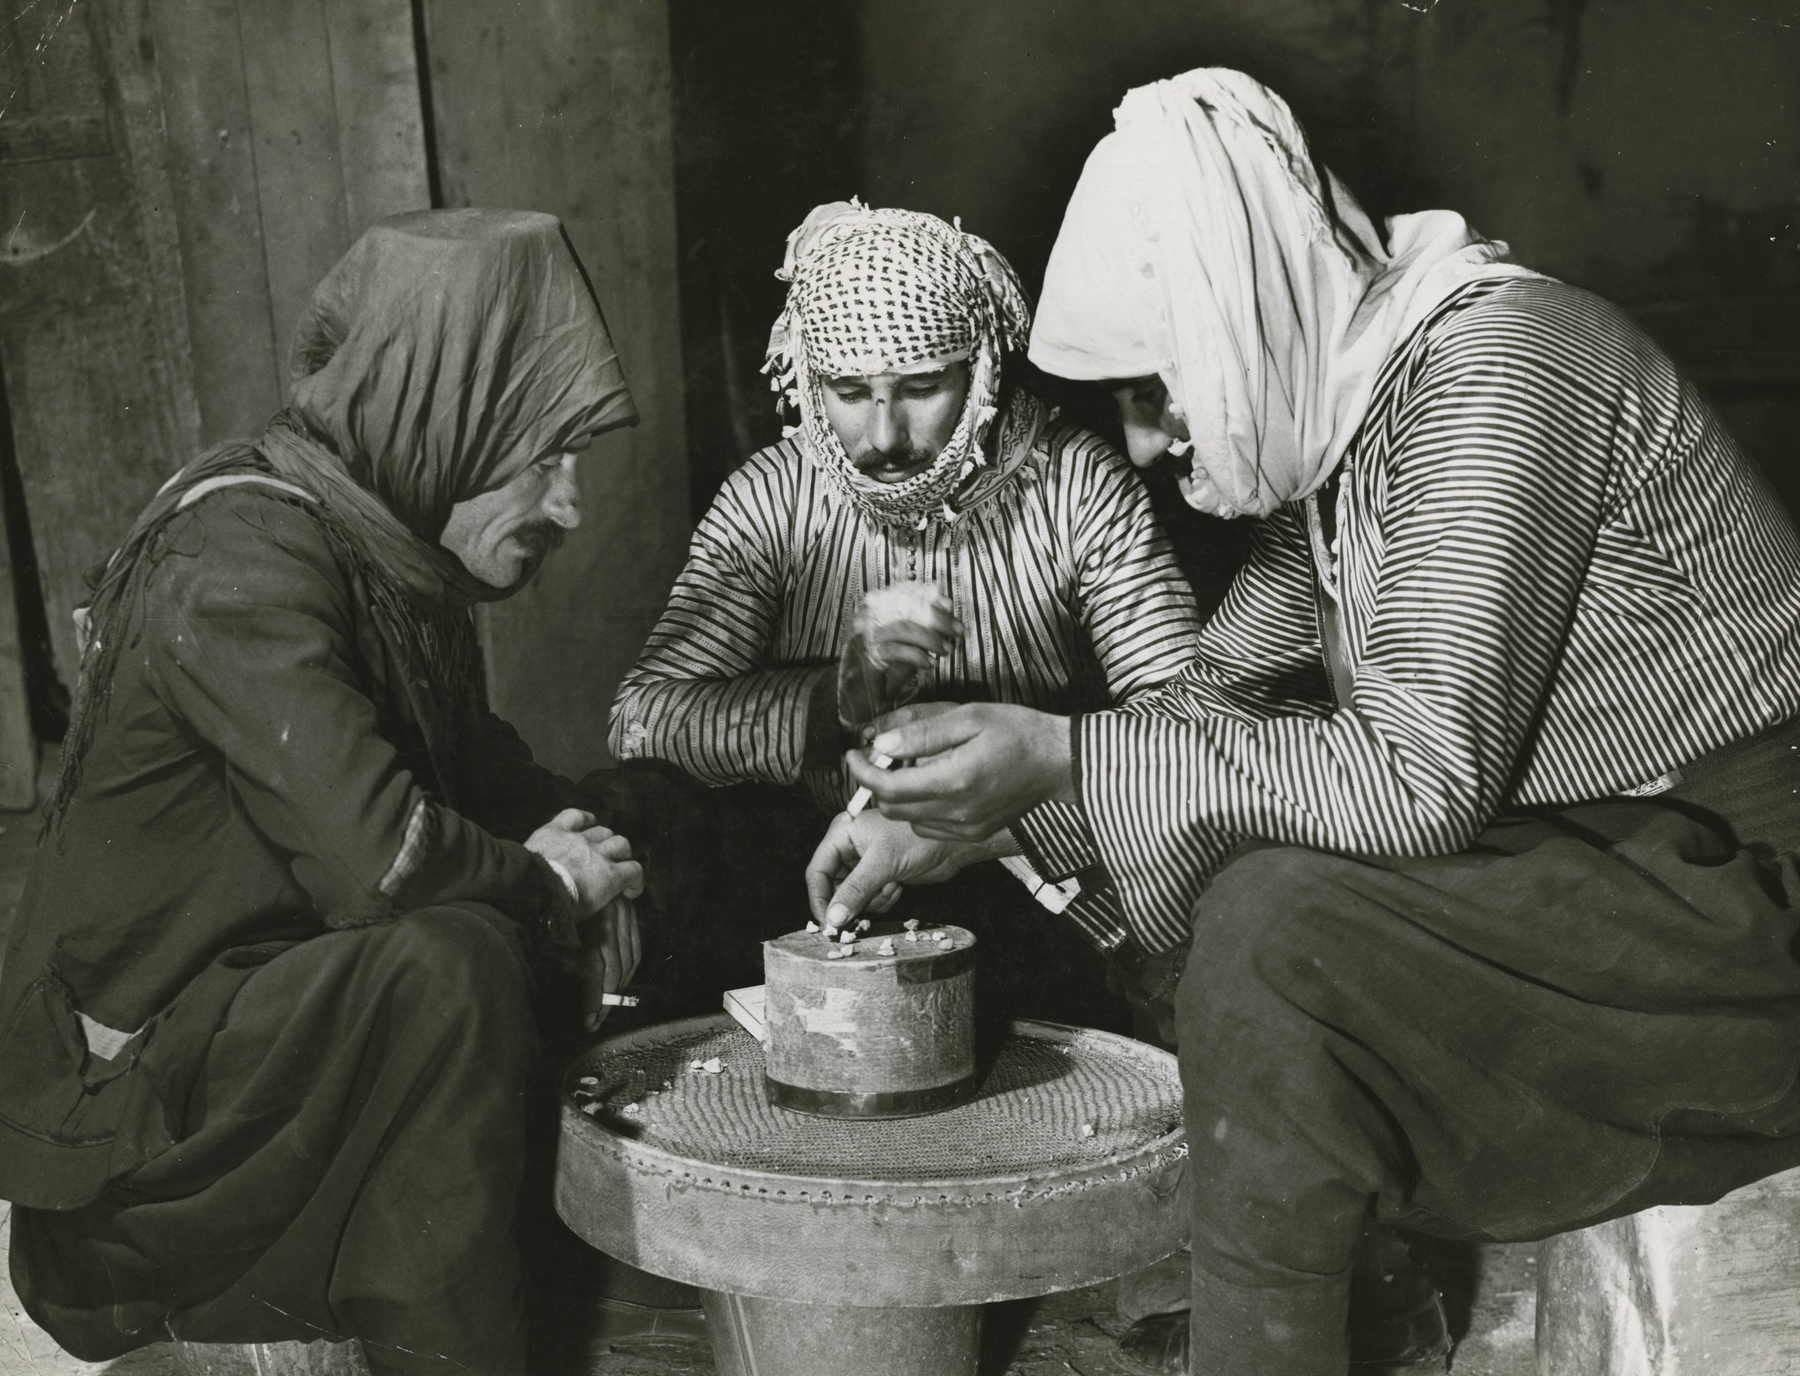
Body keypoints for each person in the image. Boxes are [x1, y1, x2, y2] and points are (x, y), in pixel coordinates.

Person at [809, 69, 1800, 1376]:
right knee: (1266, 876)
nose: (1150, 444)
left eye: (1160, 386)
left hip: (1748, 910)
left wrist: (1059, 756)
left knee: (1279, 931)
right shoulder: (1345, 422)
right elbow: (1213, 706)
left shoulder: (1504, 374)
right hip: (1615, 882)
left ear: (1244, 313)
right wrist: (976, 824)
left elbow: (1413, 780)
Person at [0, 209, 654, 1375]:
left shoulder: (387, 550)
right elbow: (381, 857)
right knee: (455, 962)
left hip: (249, 1055)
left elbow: (489, 777)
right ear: (443, 419)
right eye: (545, 454)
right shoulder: (243, 554)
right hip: (137, 1158)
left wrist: (608, 847)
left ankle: (422, 1288)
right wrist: (549, 880)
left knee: (633, 820)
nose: (570, 505)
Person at [611, 200, 1202, 1019]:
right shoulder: (770, 497)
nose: (884, 436)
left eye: (922, 388)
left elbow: (1185, 730)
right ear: (808, 380)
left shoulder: (1078, 486)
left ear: (983, 367)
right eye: (849, 392)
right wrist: (835, 697)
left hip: (1026, 865)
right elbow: (643, 720)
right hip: (816, 867)